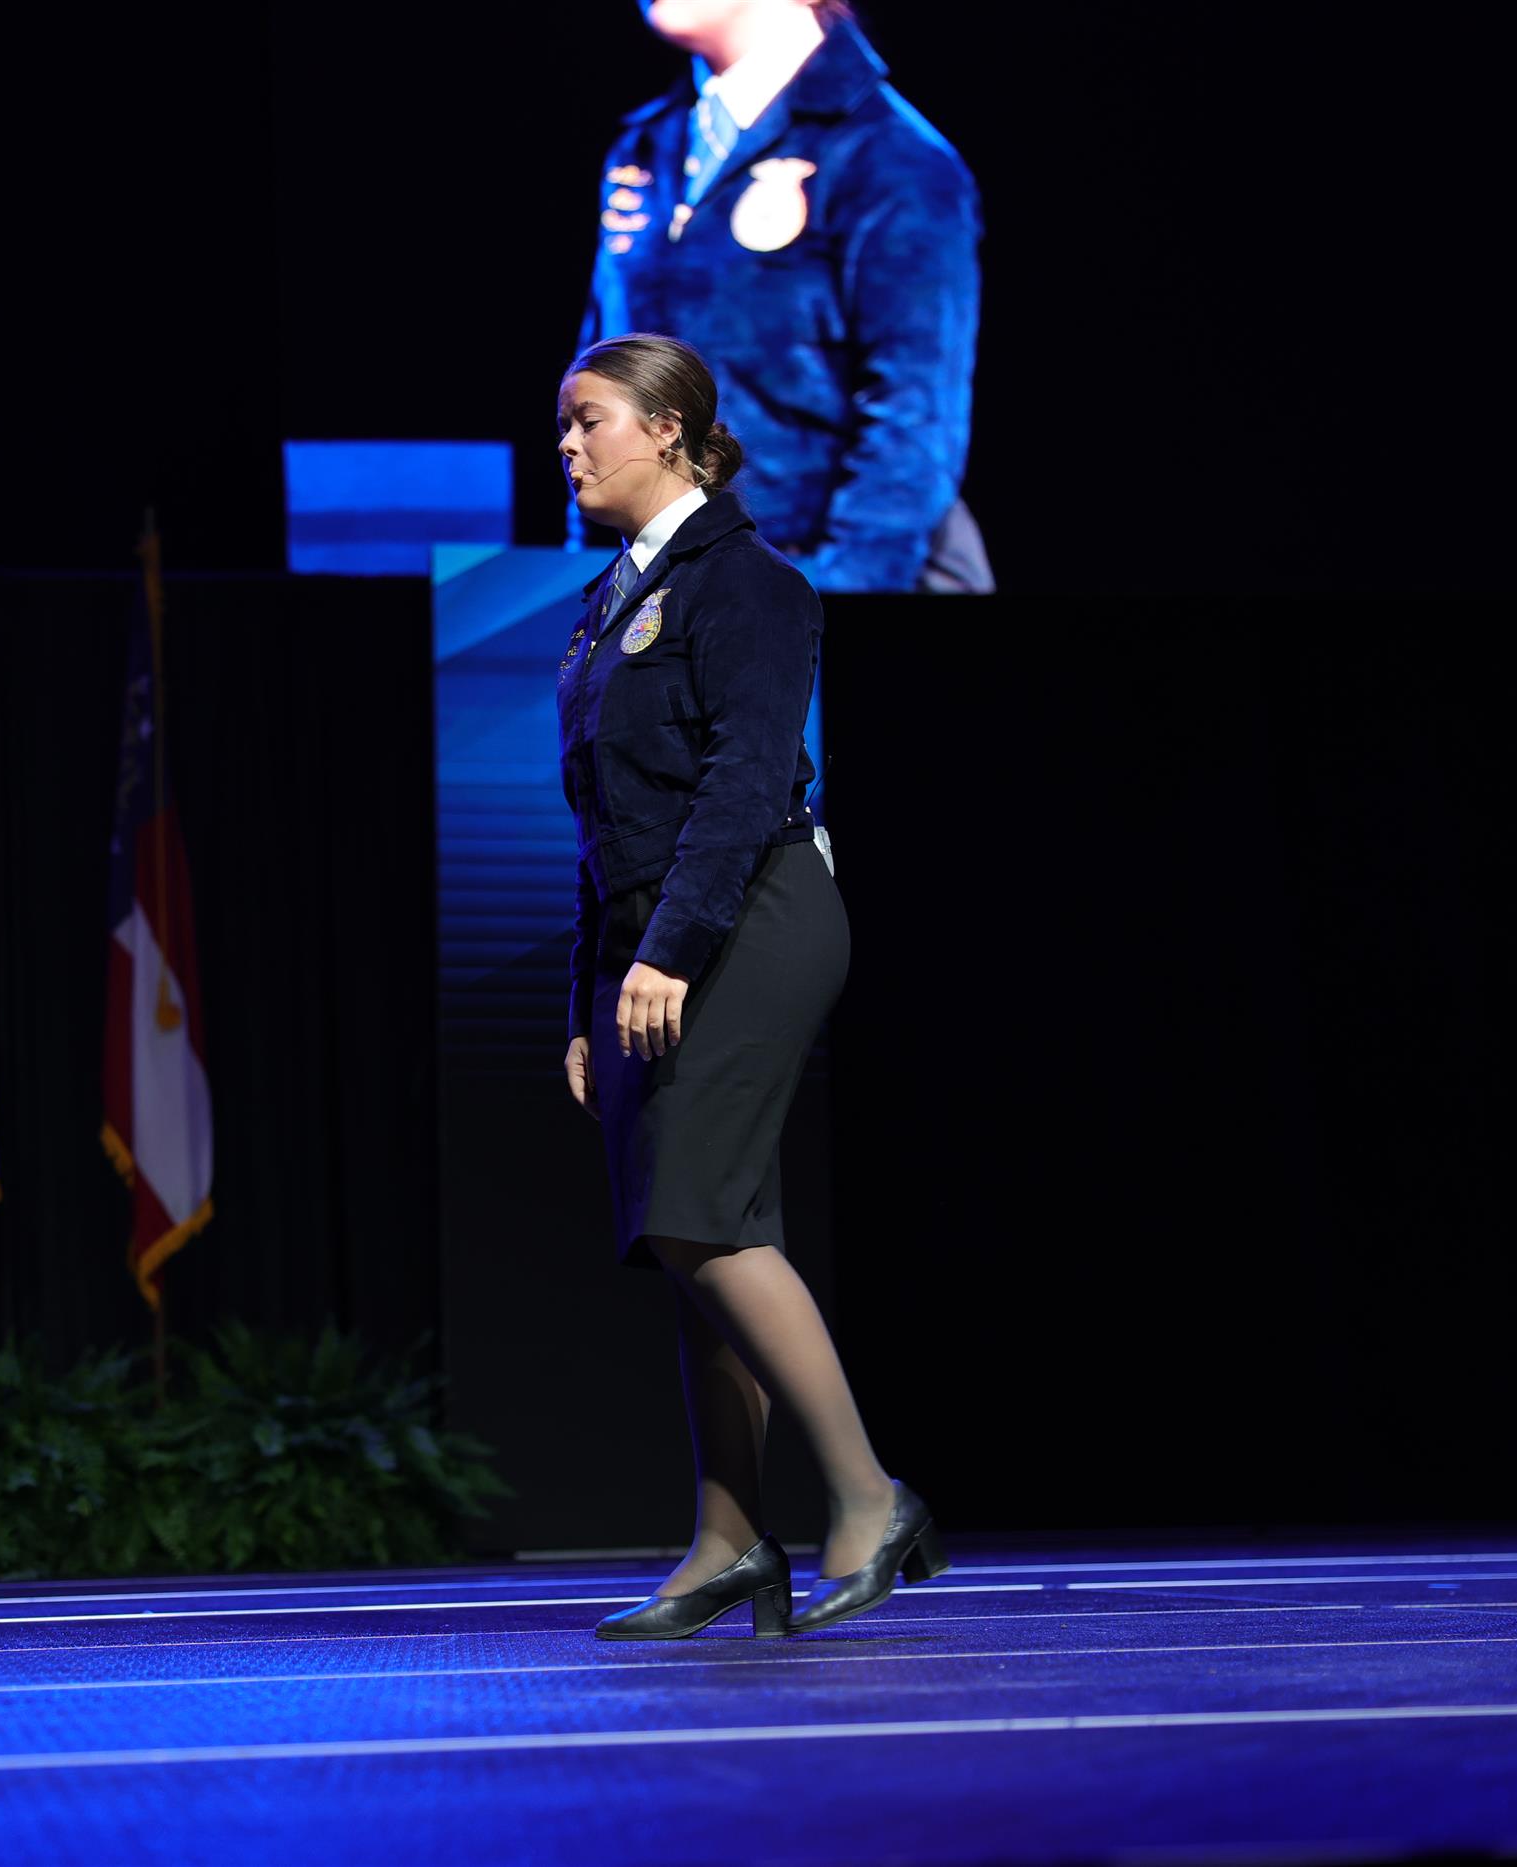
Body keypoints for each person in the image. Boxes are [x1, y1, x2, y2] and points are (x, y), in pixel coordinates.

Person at [554, 332, 945, 1639]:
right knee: (691, 1238)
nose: (568, 446)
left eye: (590, 420)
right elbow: (602, 818)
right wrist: (586, 994)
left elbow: (743, 782)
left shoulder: (750, 582)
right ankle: (729, 1542)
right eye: (564, 426)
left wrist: (667, 950)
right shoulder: (607, 601)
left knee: (701, 1213)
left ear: (668, 428)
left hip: (754, 915)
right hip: (651, 939)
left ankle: (869, 1497)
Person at [574, 0, 990, 593]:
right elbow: (600, 378)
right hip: (665, 590)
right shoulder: (647, 145)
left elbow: (915, 420)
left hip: (822, 582)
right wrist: (589, 583)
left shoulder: (890, 156)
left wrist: (828, 601)